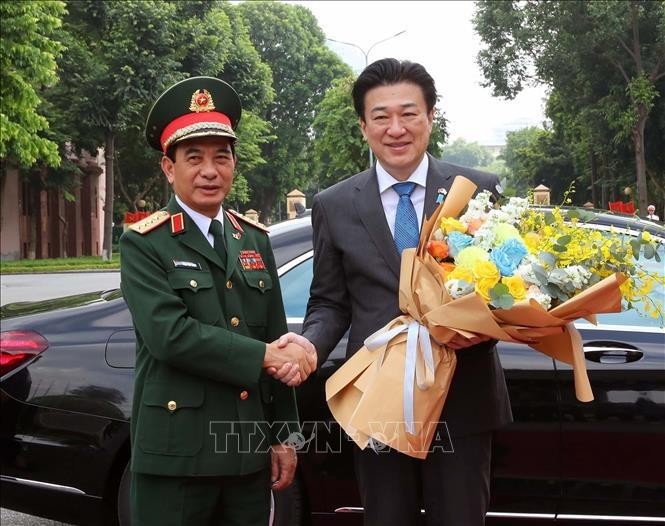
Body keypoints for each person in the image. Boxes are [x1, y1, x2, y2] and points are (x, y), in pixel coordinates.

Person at [279, 59, 512, 525]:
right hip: (378, 403)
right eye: (381, 116)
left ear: (430, 118)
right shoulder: (335, 204)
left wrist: (488, 326)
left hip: (462, 400)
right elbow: (330, 301)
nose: (396, 128)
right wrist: (308, 343)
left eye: (409, 113)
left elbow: (504, 290)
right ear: (364, 126)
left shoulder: (477, 191)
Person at [120, 76, 315, 526]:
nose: (210, 171)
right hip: (176, 459)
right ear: (169, 169)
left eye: (221, 157)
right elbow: (170, 337)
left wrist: (285, 435)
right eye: (194, 158)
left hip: (246, 456)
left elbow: (273, 334)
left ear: (233, 164)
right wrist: (266, 355)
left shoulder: (253, 239)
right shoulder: (144, 243)